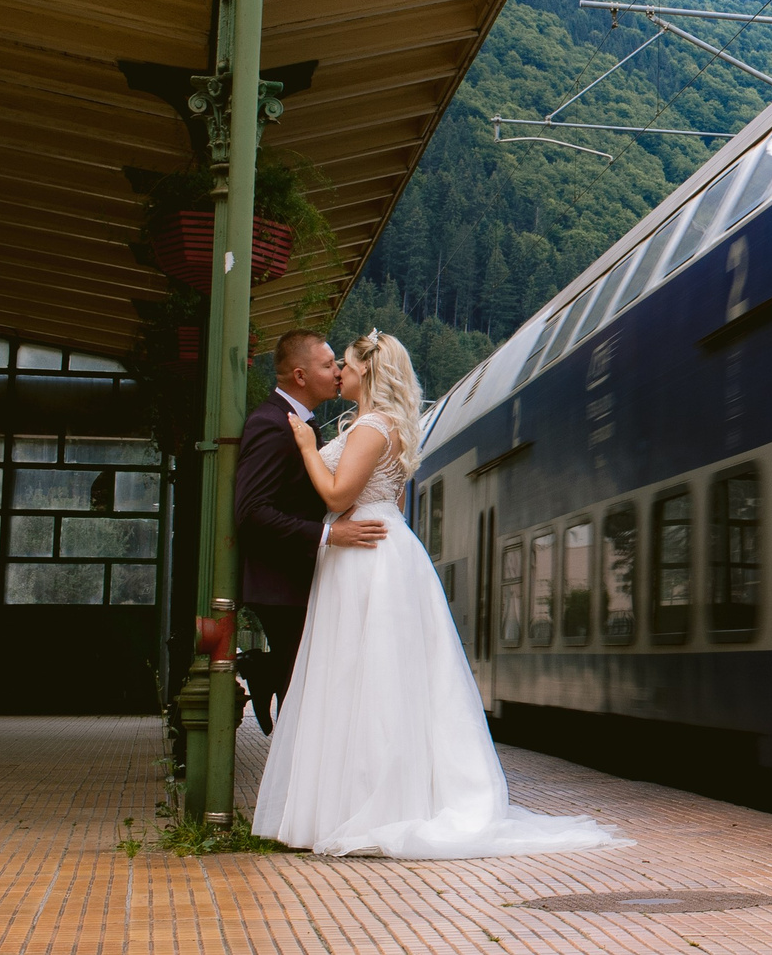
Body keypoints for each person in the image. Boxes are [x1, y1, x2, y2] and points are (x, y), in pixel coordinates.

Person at [252, 328, 624, 858]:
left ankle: (363, 805)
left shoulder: (370, 428)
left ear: (368, 372)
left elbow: (337, 493)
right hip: (381, 546)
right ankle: (374, 799)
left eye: (348, 366)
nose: (340, 373)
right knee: (377, 679)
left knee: (363, 678)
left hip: (364, 553)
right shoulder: (386, 427)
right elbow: (394, 503)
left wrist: (310, 449)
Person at [236, 330, 385, 737]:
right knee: (300, 690)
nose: (338, 371)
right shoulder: (271, 425)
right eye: (328, 364)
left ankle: (264, 671)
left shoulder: (303, 425)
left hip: (302, 576)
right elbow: (251, 513)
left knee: (306, 684)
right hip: (282, 583)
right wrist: (328, 536)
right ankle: (294, 794)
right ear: (300, 376)